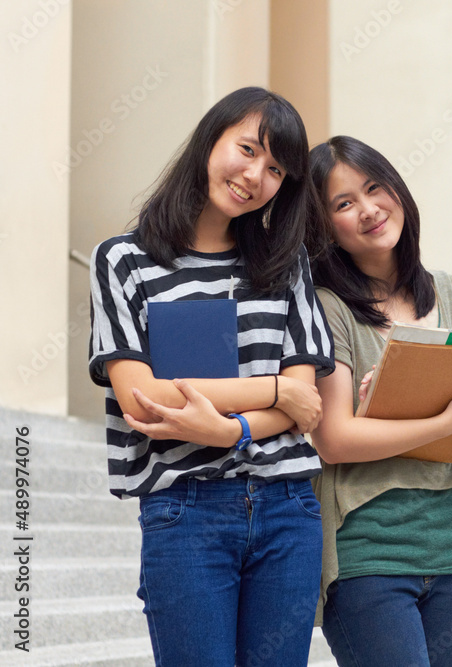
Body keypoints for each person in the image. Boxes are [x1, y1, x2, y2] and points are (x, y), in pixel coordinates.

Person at [88, 87, 335, 667]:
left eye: (276, 169)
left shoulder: (286, 261)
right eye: (247, 150)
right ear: (210, 140)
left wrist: (231, 431)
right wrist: (274, 392)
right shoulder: (123, 261)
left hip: (287, 509)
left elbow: (311, 403)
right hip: (185, 510)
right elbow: (143, 398)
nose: (255, 175)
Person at [307, 135, 452, 667]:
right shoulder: (328, 307)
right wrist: (445, 417)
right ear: (324, 226)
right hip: (367, 552)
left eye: (374, 188)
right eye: (343, 204)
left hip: (450, 549)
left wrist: (415, 413)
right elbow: (336, 438)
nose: (368, 210)